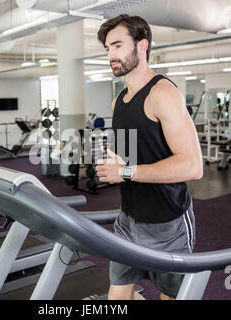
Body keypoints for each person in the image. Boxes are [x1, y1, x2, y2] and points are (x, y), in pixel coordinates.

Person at [95, 14, 203, 300]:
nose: (110, 55)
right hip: (128, 219)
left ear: (142, 46)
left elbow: (193, 166)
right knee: (117, 299)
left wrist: (126, 171)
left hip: (168, 223)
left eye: (117, 45)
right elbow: (128, 159)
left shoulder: (163, 93)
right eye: (107, 48)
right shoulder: (118, 101)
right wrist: (113, 164)